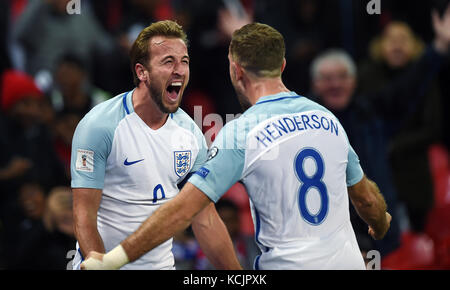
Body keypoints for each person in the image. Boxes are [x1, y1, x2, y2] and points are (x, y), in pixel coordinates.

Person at [81, 23, 391, 270]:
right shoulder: (327, 119)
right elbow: (365, 201)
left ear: (236, 70)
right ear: (281, 65)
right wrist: (380, 222)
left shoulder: (241, 132)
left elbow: (183, 211)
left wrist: (113, 260)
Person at [70, 20, 241, 270]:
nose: (180, 70)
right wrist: (100, 263)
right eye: (168, 61)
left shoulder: (191, 133)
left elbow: (205, 219)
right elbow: (84, 214)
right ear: (142, 72)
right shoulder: (99, 126)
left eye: (184, 61)